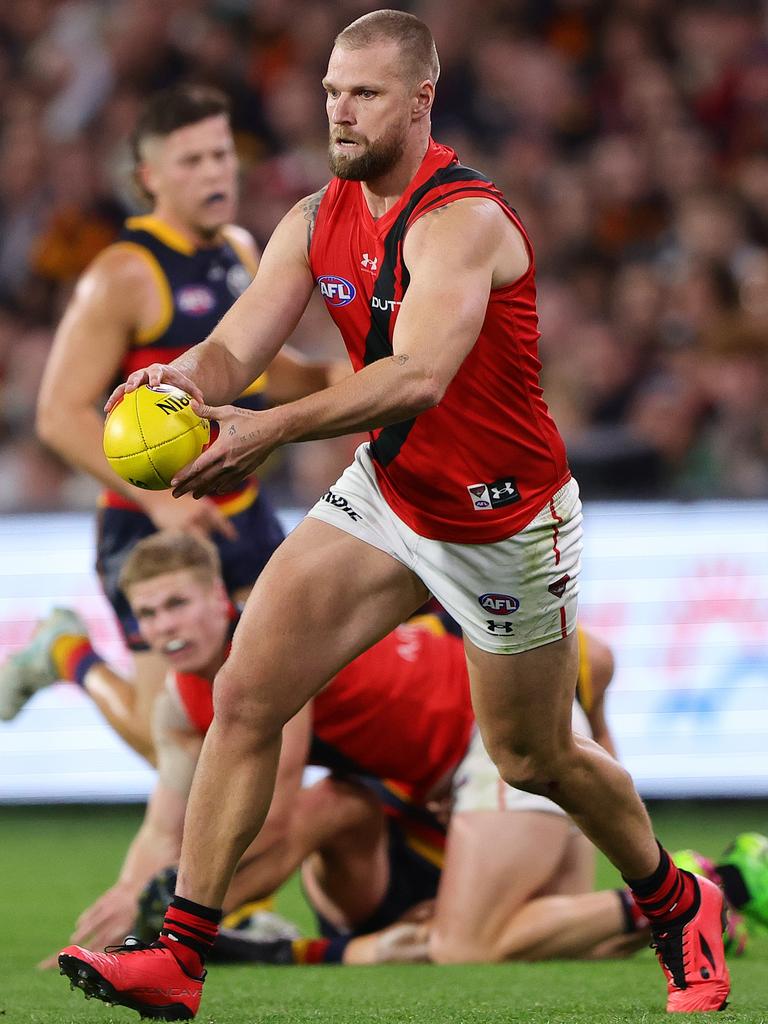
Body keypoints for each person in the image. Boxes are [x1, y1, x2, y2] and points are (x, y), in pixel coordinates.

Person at [59, 10, 729, 1018]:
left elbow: (415, 378)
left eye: (364, 93)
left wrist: (262, 431)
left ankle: (681, 901)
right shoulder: (310, 218)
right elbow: (231, 353)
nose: (340, 109)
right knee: (245, 694)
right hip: (392, 491)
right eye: (333, 90)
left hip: (505, 523)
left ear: (421, 99)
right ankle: (179, 955)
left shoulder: (465, 220)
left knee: (532, 756)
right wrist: (173, 382)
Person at [48, 529, 643, 970]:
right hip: (446, 780)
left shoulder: (263, 651)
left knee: (464, 947)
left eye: (176, 604)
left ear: (217, 597)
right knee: (561, 946)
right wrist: (125, 907)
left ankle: (691, 892)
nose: (163, 627)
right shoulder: (177, 703)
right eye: (147, 614)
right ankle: (686, 903)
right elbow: (162, 827)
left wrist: (167, 919)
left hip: (494, 738)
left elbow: (273, 824)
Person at [3, 84, 343, 762]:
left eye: (221, 155)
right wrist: (160, 508)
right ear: (147, 177)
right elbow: (59, 414)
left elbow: (265, 371)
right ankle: (66, 654)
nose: (215, 172)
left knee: (268, 706)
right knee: (177, 747)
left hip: (241, 509)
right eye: (190, 161)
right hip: (149, 522)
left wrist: (345, 379)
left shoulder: (244, 250)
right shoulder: (121, 274)